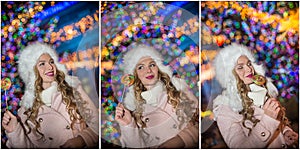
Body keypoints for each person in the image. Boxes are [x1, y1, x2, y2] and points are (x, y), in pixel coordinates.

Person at [1, 42, 99, 148]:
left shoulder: (73, 90)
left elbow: (97, 123)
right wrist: (14, 131)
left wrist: (82, 139)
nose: (50, 67)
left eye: (51, 62)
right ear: (32, 71)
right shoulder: (26, 109)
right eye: (42, 64)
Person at [212, 43, 298, 148]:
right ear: (229, 75)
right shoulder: (225, 109)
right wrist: (267, 119)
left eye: (249, 64)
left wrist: (285, 132)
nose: (249, 69)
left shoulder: (260, 90)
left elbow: (276, 124)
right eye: (240, 67)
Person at [114, 45, 199, 148]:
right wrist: (128, 125)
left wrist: (182, 139)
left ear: (159, 68)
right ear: (134, 75)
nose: (148, 70)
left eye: (152, 65)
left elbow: (200, 121)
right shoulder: (133, 109)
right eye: (141, 67)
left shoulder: (179, 90)